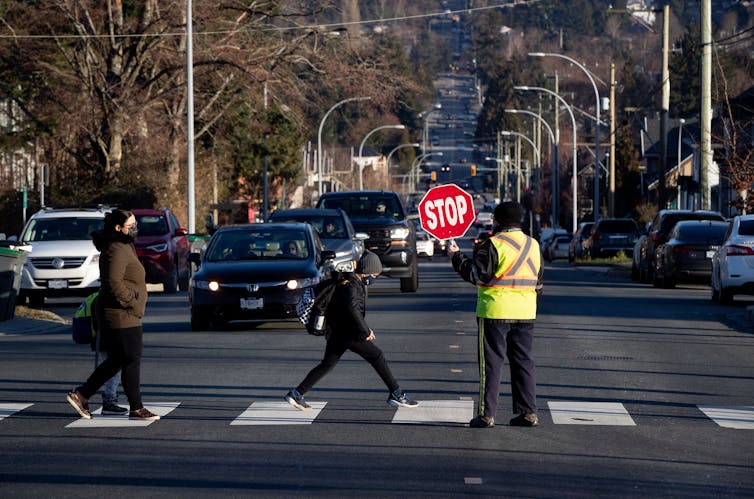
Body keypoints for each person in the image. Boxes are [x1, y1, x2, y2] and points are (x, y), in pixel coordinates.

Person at [447, 201, 543, 428]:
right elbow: (539, 283)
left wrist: (456, 256)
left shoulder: (492, 244)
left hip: (495, 311)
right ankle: (528, 412)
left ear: (498, 221)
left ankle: (486, 415)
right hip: (526, 312)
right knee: (524, 362)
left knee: (491, 365)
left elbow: (477, 276)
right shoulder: (533, 245)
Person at [285, 251, 419, 410]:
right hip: (348, 333)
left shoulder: (347, 281)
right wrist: (365, 330)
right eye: (374, 275)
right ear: (367, 272)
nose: (374, 278)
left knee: (327, 364)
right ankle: (397, 394)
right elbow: (352, 309)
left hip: (337, 332)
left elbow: (349, 310)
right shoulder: (352, 286)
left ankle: (296, 394)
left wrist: (365, 328)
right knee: (377, 356)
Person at [65, 209, 159, 421]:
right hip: (120, 313)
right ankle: (136, 407)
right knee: (131, 359)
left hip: (123, 312)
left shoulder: (124, 245)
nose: (135, 229)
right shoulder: (116, 248)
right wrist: (132, 302)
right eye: (131, 225)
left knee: (119, 359)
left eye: (135, 225)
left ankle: (82, 395)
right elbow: (113, 282)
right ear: (118, 228)